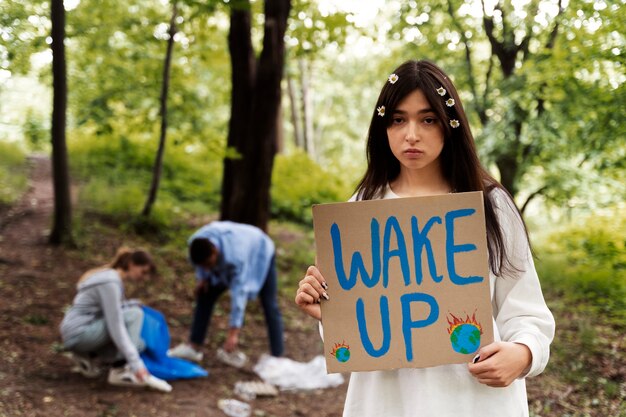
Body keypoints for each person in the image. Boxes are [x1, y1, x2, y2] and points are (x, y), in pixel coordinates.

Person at [295, 60, 555, 417]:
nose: (411, 134)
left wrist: (523, 353)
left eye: (428, 119)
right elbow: (357, 338)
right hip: (387, 404)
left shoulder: (491, 205)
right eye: (398, 119)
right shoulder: (362, 207)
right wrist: (328, 312)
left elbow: (528, 313)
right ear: (383, 126)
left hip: (475, 401)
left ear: (450, 125)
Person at [168, 221, 284, 365]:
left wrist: (233, 334)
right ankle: (194, 346)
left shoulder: (236, 257)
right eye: (203, 267)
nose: (207, 269)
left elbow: (238, 297)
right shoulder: (195, 243)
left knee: (269, 303)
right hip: (228, 256)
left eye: (209, 265)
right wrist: (202, 278)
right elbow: (199, 266)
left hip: (260, 249)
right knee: (205, 293)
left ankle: (277, 356)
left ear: (215, 251)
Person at [60, 247, 169, 391]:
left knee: (139, 344)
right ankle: (119, 370)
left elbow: (109, 307)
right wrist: (137, 365)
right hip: (79, 332)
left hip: (77, 332)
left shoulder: (111, 279)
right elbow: (115, 326)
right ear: (131, 264)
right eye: (143, 272)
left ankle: (87, 356)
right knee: (135, 315)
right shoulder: (110, 283)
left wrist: (130, 304)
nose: (144, 277)